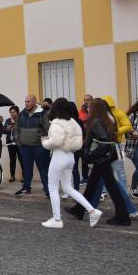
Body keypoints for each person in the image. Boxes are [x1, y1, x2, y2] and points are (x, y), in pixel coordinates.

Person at [65, 99, 131, 226]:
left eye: (89, 106)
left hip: (102, 159)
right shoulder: (107, 120)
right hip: (104, 158)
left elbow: (104, 144)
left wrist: (90, 155)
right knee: (92, 185)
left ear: (95, 109)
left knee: (112, 188)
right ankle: (79, 209)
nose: (87, 108)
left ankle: (123, 217)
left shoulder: (97, 122)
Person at [40, 98, 102, 228]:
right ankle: (92, 210)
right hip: (70, 156)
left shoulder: (57, 122)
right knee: (68, 187)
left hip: (59, 155)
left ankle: (57, 220)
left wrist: (45, 143)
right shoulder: (73, 121)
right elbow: (80, 140)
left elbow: (56, 141)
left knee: (52, 188)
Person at [14, 95, 50, 197]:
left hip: (39, 147)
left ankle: (48, 189)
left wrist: (44, 144)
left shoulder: (42, 114)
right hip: (24, 147)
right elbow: (16, 128)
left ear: (34, 102)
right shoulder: (21, 114)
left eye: (28, 101)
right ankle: (26, 188)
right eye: (25, 101)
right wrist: (18, 141)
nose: (26, 103)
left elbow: (48, 130)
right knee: (27, 169)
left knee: (43, 169)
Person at [4, 106, 22, 182]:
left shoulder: (21, 120)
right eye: (11, 112)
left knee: (22, 159)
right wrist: (7, 128)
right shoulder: (8, 120)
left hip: (19, 143)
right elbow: (3, 131)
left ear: (17, 112)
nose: (12, 114)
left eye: (13, 112)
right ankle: (12, 176)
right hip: (10, 143)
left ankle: (24, 176)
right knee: (12, 160)